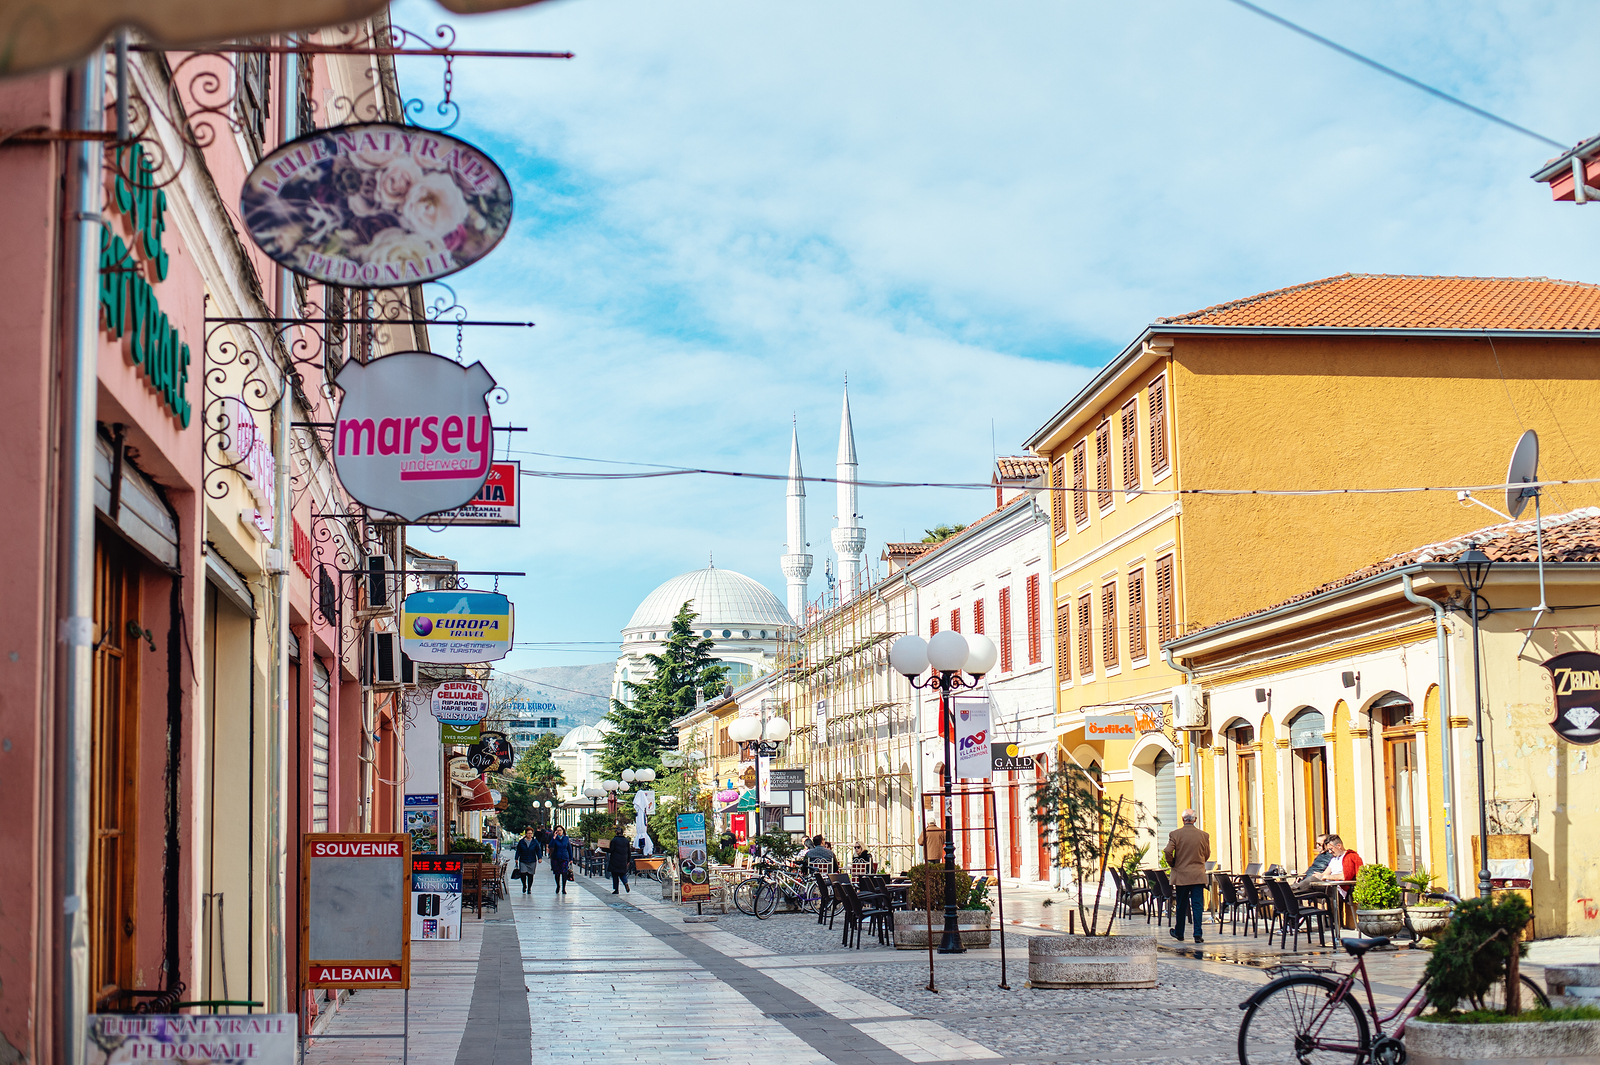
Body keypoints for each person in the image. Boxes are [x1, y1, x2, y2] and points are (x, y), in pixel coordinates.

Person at [1163, 809, 1211, 945]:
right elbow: (1206, 854)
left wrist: (1173, 863)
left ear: (1183, 819)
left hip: (1181, 875)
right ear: (1195, 819)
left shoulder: (1175, 834)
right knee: (1197, 905)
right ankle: (1197, 934)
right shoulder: (1204, 835)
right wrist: (1199, 861)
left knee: (1181, 904)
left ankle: (1179, 932)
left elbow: (1167, 851)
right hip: (1198, 874)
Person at [549, 825, 573, 896]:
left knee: (564, 873)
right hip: (556, 857)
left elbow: (569, 848)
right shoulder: (554, 839)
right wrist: (554, 837)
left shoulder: (566, 838)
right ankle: (558, 885)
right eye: (557, 830)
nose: (559, 832)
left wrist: (571, 859)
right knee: (557, 873)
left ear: (563, 831)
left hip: (564, 857)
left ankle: (564, 888)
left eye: (560, 830)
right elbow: (551, 846)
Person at [514, 827, 539, 894]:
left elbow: (538, 850)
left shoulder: (535, 842)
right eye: (528, 833)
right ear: (526, 834)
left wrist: (540, 858)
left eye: (531, 833)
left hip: (532, 860)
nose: (530, 835)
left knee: (531, 875)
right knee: (523, 873)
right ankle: (524, 885)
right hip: (523, 860)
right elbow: (518, 850)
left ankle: (529, 888)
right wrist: (516, 858)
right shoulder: (522, 842)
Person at [608, 829, 633, 894]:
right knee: (622, 874)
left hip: (615, 860)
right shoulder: (626, 840)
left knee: (615, 875)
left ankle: (616, 889)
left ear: (616, 832)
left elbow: (611, 850)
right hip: (623, 860)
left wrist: (603, 849)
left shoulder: (614, 840)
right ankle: (625, 882)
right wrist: (628, 860)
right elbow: (629, 851)